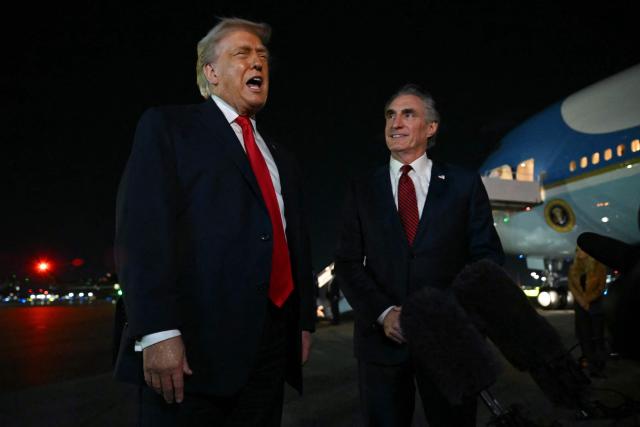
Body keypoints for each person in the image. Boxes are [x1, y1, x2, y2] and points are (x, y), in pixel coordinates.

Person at [113, 17, 316, 426]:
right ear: (211, 72)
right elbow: (143, 231)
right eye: (242, 54)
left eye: (262, 56)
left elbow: (296, 244)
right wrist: (157, 331)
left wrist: (303, 321)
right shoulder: (169, 127)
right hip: (193, 354)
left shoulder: (281, 156)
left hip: (270, 349)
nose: (257, 63)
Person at [334, 84, 504, 427]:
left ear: (431, 127)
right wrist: (383, 313)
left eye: (407, 114)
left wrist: (447, 317)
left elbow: (486, 260)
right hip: (382, 348)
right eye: (390, 115)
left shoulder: (463, 183)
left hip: (449, 344)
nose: (395, 122)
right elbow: (348, 263)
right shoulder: (361, 188)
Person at [568, 245, 608, 377]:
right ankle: (591, 367)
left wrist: (587, 300)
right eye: (577, 250)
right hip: (581, 308)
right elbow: (572, 286)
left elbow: (601, 287)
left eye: (581, 249)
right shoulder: (573, 268)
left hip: (595, 307)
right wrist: (581, 301)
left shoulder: (600, 267)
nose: (578, 252)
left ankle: (600, 365)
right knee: (585, 338)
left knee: (597, 338)